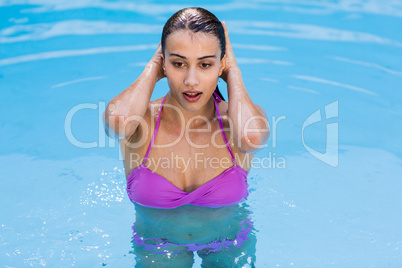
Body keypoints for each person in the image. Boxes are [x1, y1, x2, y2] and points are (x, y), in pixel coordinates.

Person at [103, 7, 269, 267]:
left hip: (229, 245)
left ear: (220, 64)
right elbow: (118, 122)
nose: (191, 80)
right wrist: (151, 68)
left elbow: (251, 139)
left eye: (205, 64)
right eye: (179, 63)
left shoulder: (235, 123)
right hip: (157, 247)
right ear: (164, 64)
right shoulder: (141, 122)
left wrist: (234, 72)